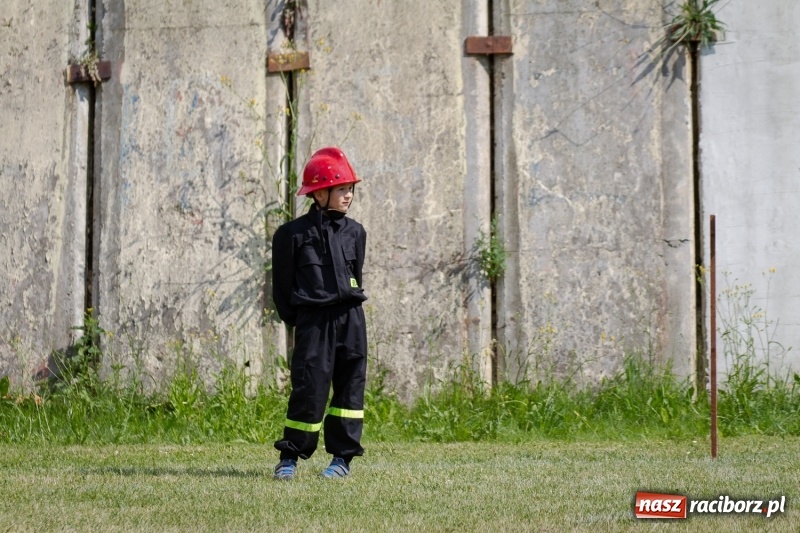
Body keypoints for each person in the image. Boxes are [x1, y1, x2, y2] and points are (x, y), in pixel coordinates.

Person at [270, 146, 368, 480]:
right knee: (309, 388)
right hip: (314, 322)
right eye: (341, 189)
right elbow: (282, 290)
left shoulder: (356, 232)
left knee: (350, 388)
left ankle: (342, 459)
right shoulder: (291, 235)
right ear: (320, 193)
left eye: (350, 188)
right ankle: (290, 457)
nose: (348, 195)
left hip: (351, 320)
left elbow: (356, 276)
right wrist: (304, 321)